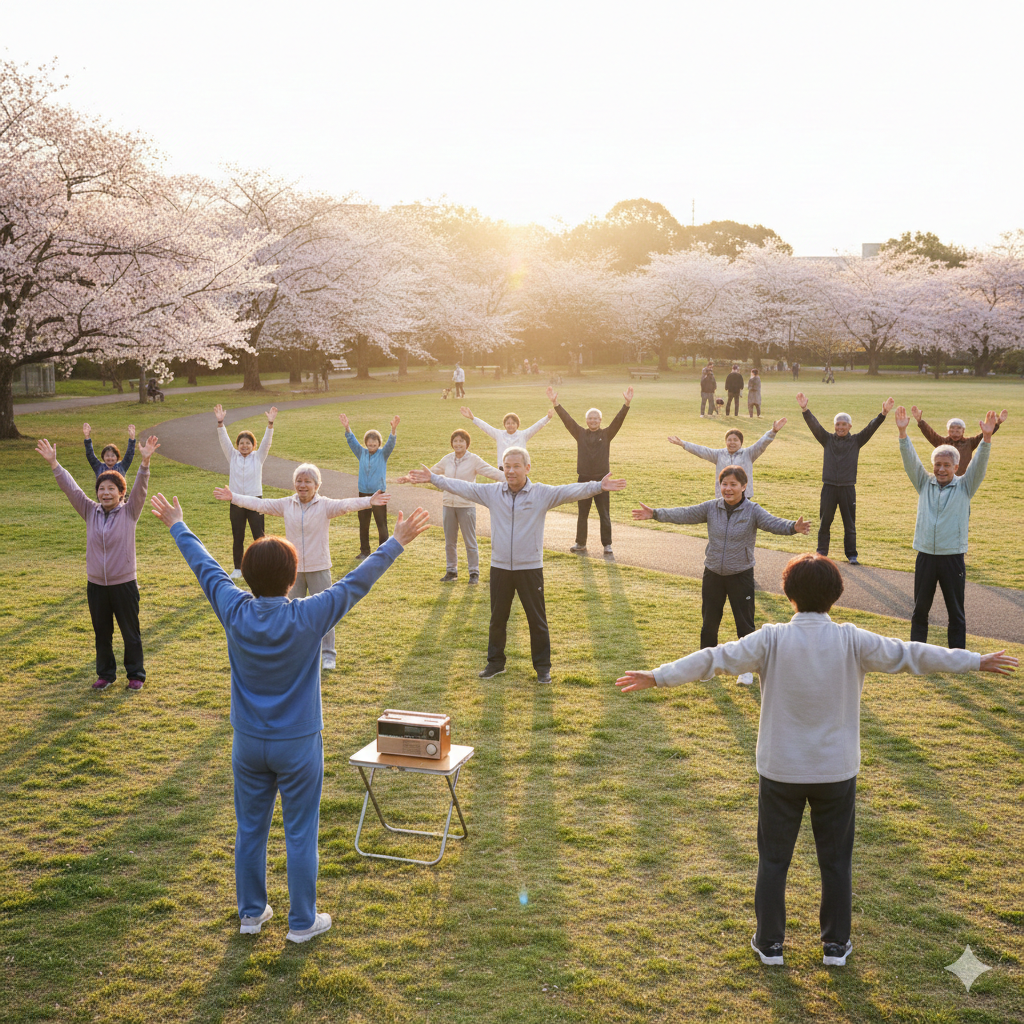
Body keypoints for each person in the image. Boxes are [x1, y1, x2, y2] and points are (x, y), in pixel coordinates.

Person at [615, 552, 1017, 968]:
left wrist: (659, 675)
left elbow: (715, 658)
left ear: (788, 593)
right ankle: (835, 946)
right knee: (836, 862)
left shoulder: (771, 638)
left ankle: (770, 944)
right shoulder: (850, 639)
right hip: (835, 773)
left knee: (773, 861)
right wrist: (974, 660)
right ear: (836, 594)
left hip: (781, 771)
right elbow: (911, 654)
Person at [150, 490, 429, 943]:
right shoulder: (309, 614)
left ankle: (251, 914)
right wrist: (395, 541)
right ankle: (301, 923)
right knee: (300, 833)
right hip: (298, 744)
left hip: (248, 744)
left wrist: (178, 525)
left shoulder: (234, 608)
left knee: (249, 829)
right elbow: (354, 583)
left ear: (247, 575)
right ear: (293, 576)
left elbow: (207, 567)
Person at [406, 447, 626, 684]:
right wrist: (434, 478)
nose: (510, 471)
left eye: (516, 466)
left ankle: (542, 668)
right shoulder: (493, 492)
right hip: (500, 567)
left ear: (527, 468)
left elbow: (569, 491)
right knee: (497, 619)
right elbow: (464, 487)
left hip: (530, 567)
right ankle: (495, 663)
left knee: (537, 620)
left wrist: (598, 486)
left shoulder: (541, 493)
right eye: (507, 467)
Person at [632, 465, 810, 685]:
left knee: (745, 624)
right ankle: (704, 669)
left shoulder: (753, 510)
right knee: (709, 623)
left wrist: (793, 527)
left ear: (744, 486)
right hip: (713, 574)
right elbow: (685, 514)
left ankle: (746, 670)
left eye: (733, 484)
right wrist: (655, 514)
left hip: (741, 575)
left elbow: (773, 523)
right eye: (724, 484)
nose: (728, 488)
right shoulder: (711, 507)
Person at [213, 464, 390, 670]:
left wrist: (369, 501)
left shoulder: (325, 505)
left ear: (317, 485)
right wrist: (233, 497)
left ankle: (328, 654)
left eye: (307, 481)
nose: (302, 485)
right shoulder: (287, 504)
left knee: (325, 612)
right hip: (292, 570)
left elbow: (346, 505)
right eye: (299, 481)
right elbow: (261, 504)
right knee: (288, 613)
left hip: (319, 567)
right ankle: (291, 652)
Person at [37, 433, 160, 691]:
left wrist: (145, 463)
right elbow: (71, 489)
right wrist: (54, 464)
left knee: (130, 632)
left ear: (121, 493)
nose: (105, 493)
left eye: (111, 489)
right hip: (96, 585)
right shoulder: (89, 510)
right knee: (102, 633)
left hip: (124, 584)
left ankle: (136, 675)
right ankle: (105, 675)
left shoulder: (130, 512)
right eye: (102, 489)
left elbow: (141, 489)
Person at [896, 407, 997, 649]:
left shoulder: (965, 486)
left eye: (947, 465)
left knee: (956, 612)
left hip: (952, 557)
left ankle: (957, 657)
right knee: (920, 610)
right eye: (938, 464)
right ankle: (916, 653)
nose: (941, 469)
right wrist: (902, 433)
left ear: (956, 467)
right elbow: (911, 462)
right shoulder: (924, 483)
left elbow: (979, 465)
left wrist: (987, 438)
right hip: (926, 556)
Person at [797, 392, 894, 565]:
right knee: (825, 522)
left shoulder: (856, 441)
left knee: (849, 524)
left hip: (848, 488)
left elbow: (870, 428)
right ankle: (821, 552)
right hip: (829, 487)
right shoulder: (827, 439)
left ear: (850, 426)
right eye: (837, 424)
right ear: (834, 426)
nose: (840, 427)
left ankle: (852, 555)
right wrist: (805, 409)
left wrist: (883, 414)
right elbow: (815, 426)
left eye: (843, 424)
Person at [396, 429, 503, 584]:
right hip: (448, 505)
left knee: (470, 541)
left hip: (466, 506)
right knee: (450, 541)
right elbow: (430, 473)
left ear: (467, 443)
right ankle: (451, 571)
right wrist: (408, 478)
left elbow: (492, 472)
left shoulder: (474, 460)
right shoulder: (447, 459)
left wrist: (510, 477)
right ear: (452, 443)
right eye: (455, 441)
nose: (458, 444)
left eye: (461, 441)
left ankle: (474, 573)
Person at [547, 385, 633, 555]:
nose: (593, 421)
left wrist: (627, 404)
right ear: (587, 421)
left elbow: (618, 421)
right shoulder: (580, 434)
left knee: (604, 513)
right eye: (590, 418)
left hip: (603, 481)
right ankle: (580, 543)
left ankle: (607, 545)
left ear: (600, 420)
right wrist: (555, 403)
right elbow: (568, 420)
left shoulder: (607, 434)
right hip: (584, 479)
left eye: (596, 418)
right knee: (582, 514)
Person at [215, 403, 277, 580]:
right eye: (241, 443)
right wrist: (220, 423)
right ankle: (238, 568)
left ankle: (263, 568)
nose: (244, 446)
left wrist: (270, 424)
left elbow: (267, 443)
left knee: (259, 537)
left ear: (253, 445)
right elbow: (224, 441)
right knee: (238, 536)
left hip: (255, 501)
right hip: (236, 501)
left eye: (248, 443)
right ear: (237, 445)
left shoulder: (258, 457)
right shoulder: (232, 456)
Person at [668, 420, 786, 499]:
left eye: (735, 440)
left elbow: (762, 443)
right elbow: (701, 450)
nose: (732, 442)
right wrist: (683, 444)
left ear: (741, 442)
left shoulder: (748, 454)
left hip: (744, 497)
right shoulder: (718, 454)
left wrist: (773, 431)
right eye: (729, 440)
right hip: (724, 496)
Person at [339, 412, 399, 560]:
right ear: (366, 443)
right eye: (369, 444)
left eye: (374, 445)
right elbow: (352, 441)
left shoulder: (383, 454)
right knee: (364, 524)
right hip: (363, 494)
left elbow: (390, 444)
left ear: (379, 444)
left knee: (381, 524)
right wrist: (347, 428)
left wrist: (393, 430)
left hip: (378, 494)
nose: (372, 447)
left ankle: (383, 553)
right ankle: (365, 551)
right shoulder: (361, 453)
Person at [909, 406, 1007, 476]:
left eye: (958, 429)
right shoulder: (942, 443)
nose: (955, 432)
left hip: (964, 479)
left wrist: (997, 423)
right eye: (952, 429)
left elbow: (985, 435)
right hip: (945, 478)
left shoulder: (970, 443)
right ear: (948, 431)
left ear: (963, 431)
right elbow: (930, 434)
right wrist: (920, 421)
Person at [460, 405, 553, 464]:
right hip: (503, 469)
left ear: (517, 424)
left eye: (513, 423)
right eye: (508, 423)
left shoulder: (523, 435)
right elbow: (486, 427)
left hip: (520, 468)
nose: (510, 425)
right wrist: (473, 418)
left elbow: (536, 427)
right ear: (504, 425)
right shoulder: (499, 434)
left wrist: (548, 417)